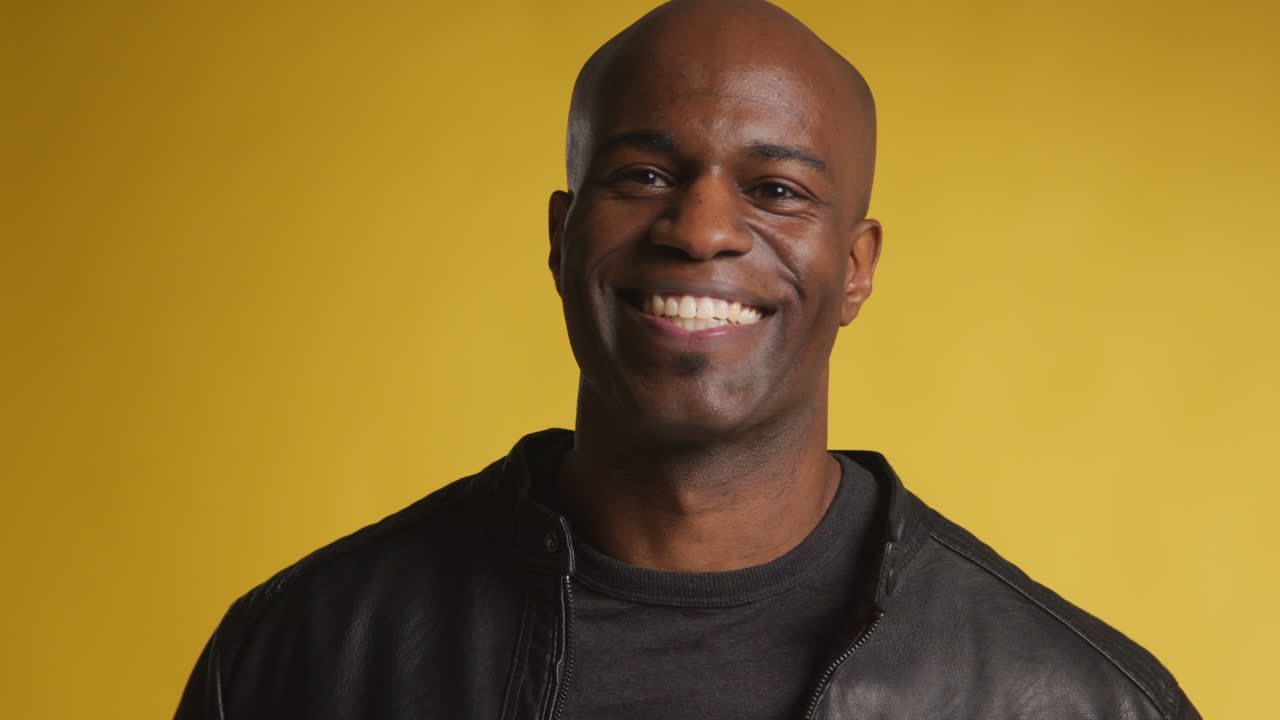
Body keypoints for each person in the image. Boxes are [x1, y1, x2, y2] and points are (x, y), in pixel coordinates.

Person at [176, 1, 1200, 718]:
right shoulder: (302, 653)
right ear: (561, 236)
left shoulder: (1077, 700)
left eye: (777, 190)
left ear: (853, 268)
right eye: (646, 172)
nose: (701, 227)